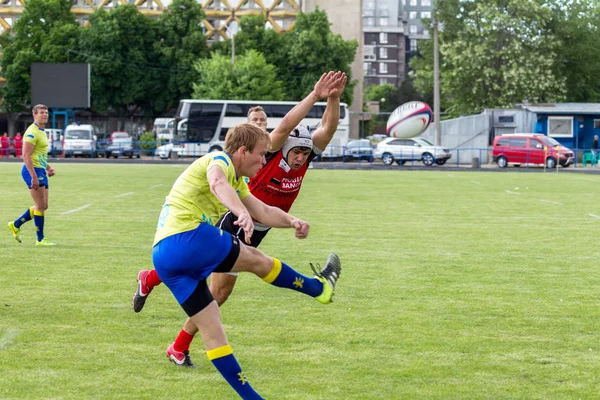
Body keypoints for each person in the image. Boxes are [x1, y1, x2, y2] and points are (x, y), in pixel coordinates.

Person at [133, 71, 347, 364]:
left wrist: (333, 97)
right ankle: (178, 343)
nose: (300, 157)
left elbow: (329, 127)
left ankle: (155, 288)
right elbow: (285, 125)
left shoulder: (305, 155)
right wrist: (315, 95)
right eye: (295, 151)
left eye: (304, 152)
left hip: (258, 223)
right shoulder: (268, 152)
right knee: (216, 293)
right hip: (236, 222)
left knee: (211, 288)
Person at [147, 123, 341, 398]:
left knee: (213, 331)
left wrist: (291, 221)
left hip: (165, 257)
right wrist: (240, 212)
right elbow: (216, 182)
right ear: (242, 151)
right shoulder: (220, 160)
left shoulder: (237, 180)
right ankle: (319, 289)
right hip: (186, 238)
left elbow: (262, 209)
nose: (264, 160)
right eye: (262, 154)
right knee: (256, 260)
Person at [7, 104, 56, 246]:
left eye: (46, 112)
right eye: (41, 113)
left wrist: (48, 167)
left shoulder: (42, 131)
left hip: (40, 169)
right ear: (34, 115)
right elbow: (26, 155)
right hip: (32, 170)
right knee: (40, 206)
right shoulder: (31, 132)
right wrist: (33, 176)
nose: (45, 115)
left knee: (43, 205)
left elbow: (39, 154)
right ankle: (40, 239)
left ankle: (15, 224)